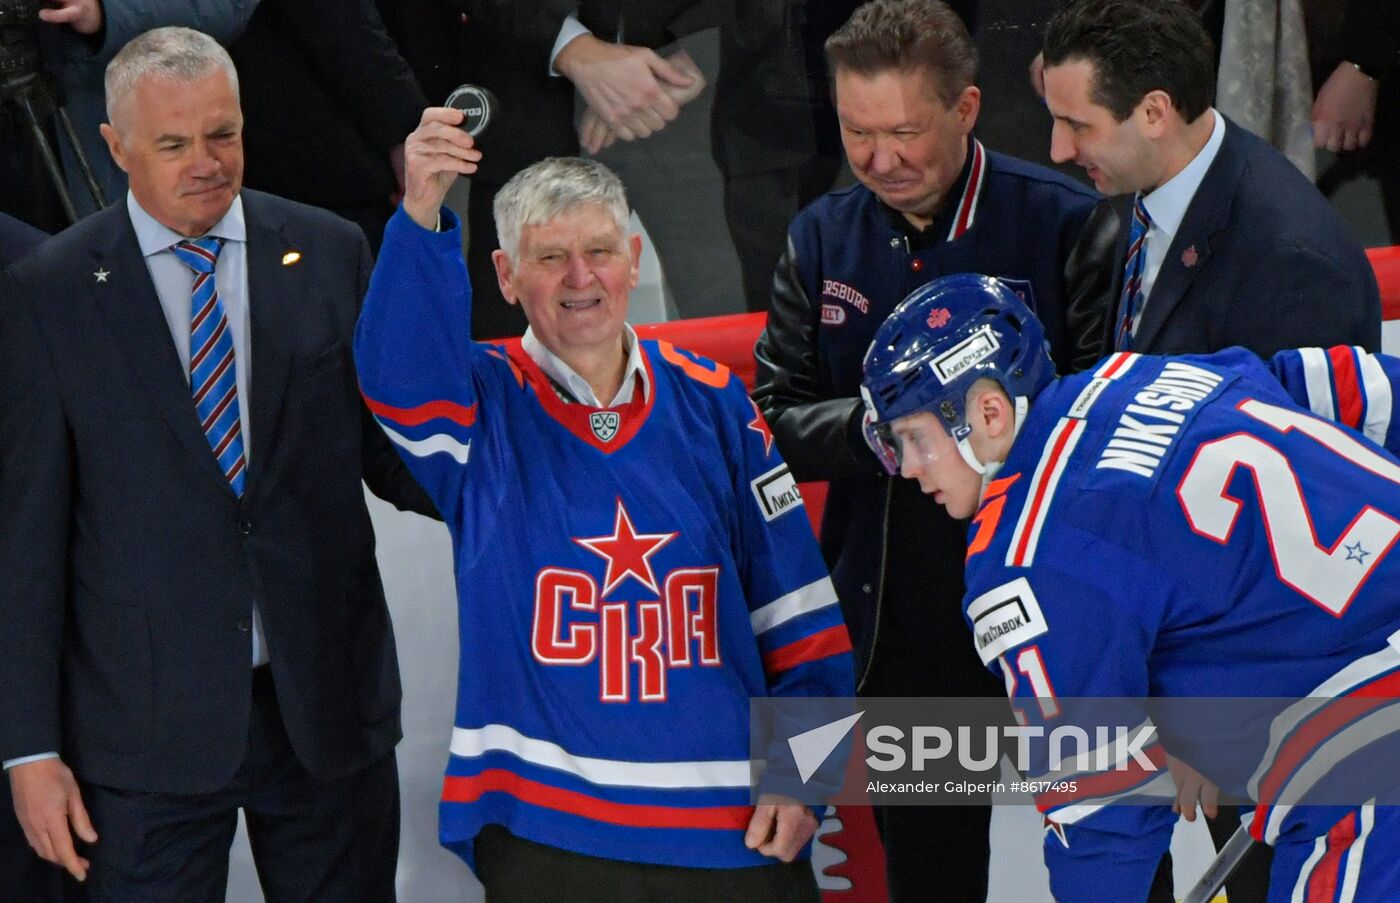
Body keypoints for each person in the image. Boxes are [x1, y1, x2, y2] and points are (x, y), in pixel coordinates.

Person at [353, 108, 855, 898]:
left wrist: (806, 777)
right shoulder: (480, 404)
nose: (580, 278)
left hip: (734, 826)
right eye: (550, 257)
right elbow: (397, 373)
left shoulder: (716, 404)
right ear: (506, 276)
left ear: (634, 257)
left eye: (598, 252)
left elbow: (799, 611)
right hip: (550, 830)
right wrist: (421, 212)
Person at [0, 27, 437, 899]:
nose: (207, 163)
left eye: (223, 134)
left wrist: (510, 483)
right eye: (174, 144)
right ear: (116, 146)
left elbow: (395, 451)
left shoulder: (331, 250)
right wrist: (29, 749)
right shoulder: (50, 292)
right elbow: (28, 539)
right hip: (142, 737)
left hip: (327, 712)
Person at [860, 273, 1400, 903]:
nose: (909, 468)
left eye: (914, 439)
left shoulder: (1025, 553)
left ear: (988, 412)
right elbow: (1365, 387)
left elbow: (1101, 807)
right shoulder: (1157, 373)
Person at [751, 1, 1117, 898]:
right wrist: (889, 428)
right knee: (931, 877)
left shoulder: (1066, 218)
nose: (880, 159)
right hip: (906, 626)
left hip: (1062, 614)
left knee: (1113, 856)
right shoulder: (821, 234)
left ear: (966, 109)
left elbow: (1111, 414)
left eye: (904, 131)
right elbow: (770, 422)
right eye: (857, 132)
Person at [1041, 0, 1381, 361]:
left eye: (1078, 125)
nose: (1058, 151)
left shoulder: (1291, 266)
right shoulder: (1142, 176)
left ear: (1154, 113)